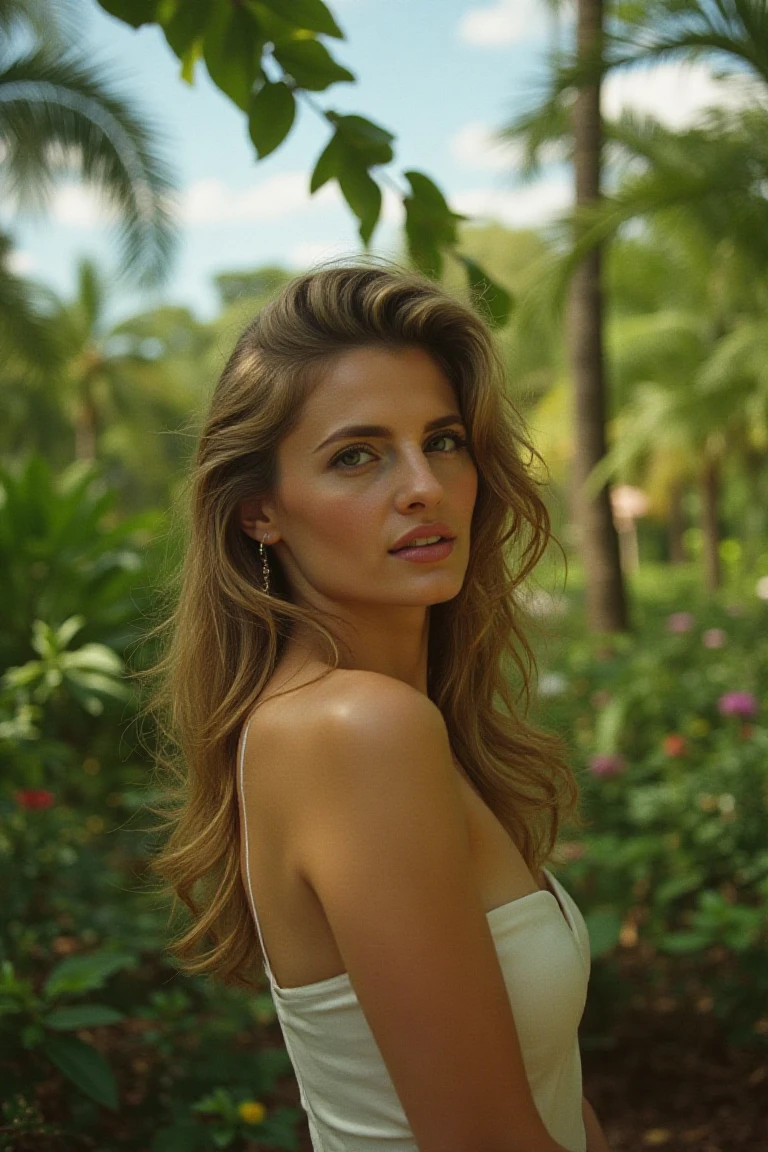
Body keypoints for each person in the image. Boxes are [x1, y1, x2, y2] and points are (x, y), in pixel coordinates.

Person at [150, 263, 612, 1152]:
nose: (423, 486)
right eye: (356, 455)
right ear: (259, 513)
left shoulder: (372, 717)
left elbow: (552, 1094)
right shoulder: (356, 730)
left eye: (442, 440)